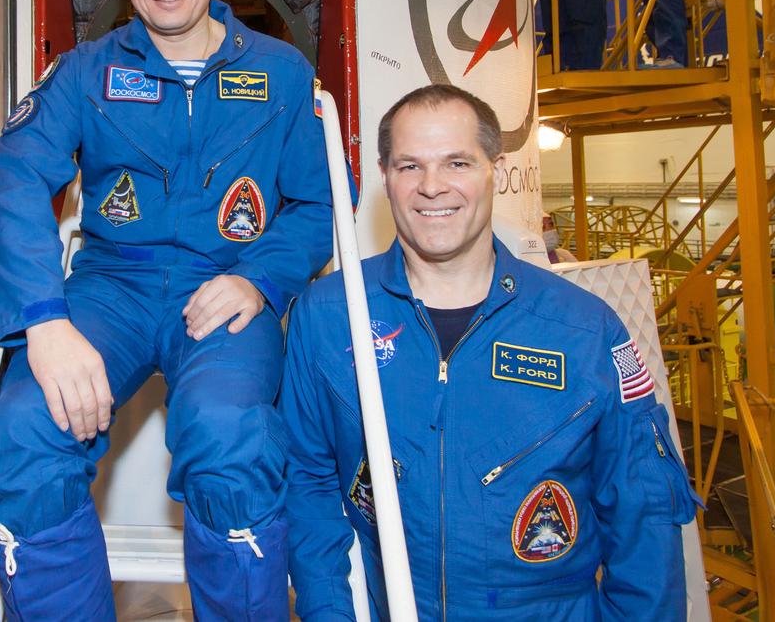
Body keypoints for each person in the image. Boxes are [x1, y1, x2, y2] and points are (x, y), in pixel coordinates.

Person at [0, 0, 333, 620]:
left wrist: (259, 280)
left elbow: (317, 204)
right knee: (25, 426)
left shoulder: (282, 73)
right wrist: (43, 320)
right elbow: (14, 180)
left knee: (229, 432)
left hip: (225, 289)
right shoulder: (85, 72)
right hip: (112, 287)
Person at [281, 84, 699, 620]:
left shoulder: (585, 330)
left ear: (495, 172)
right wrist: (330, 613)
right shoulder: (328, 315)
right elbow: (308, 485)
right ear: (384, 177)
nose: (432, 186)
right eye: (410, 166)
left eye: (457, 162)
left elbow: (644, 518)